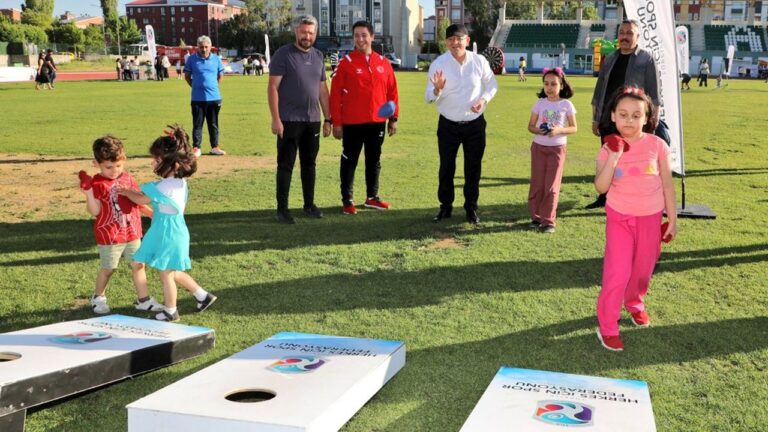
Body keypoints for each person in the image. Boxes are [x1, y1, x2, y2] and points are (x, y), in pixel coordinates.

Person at [594, 86, 677, 352]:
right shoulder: (608, 149)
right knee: (617, 272)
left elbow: (667, 185)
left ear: (647, 118)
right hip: (619, 218)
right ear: (613, 116)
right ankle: (607, 326)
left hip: (650, 218)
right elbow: (601, 188)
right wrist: (615, 155)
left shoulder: (657, 145)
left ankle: (635, 304)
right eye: (623, 114)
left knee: (643, 270)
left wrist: (672, 219)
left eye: (636, 115)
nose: (629, 121)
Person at [118, 125, 218, 322]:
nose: (153, 164)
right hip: (172, 230)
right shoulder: (179, 183)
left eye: (157, 160)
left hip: (168, 233)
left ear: (174, 164)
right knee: (171, 269)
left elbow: (140, 199)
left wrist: (127, 191)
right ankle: (202, 296)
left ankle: (171, 311)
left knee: (166, 275)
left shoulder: (163, 186)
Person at [79, 135, 163, 315]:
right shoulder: (97, 184)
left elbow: (136, 200)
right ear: (96, 163)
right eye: (108, 167)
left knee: (138, 265)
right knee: (108, 268)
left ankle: (144, 300)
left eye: (118, 165)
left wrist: (150, 213)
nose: (114, 170)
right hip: (110, 235)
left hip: (132, 232)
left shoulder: (128, 179)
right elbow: (95, 211)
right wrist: (89, 194)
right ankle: (98, 297)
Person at [425, 24, 498, 224]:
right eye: (450, 39)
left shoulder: (479, 61)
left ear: (467, 40)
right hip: (448, 124)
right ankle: (445, 207)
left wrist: (483, 100)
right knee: (446, 167)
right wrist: (437, 90)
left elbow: (492, 85)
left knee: (473, 169)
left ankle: (471, 209)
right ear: (446, 42)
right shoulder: (439, 63)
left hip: (474, 124)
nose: (455, 42)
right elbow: (428, 97)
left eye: (459, 38)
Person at [587, 19, 659, 210]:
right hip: (609, 120)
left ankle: (629, 198)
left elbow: (654, 94)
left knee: (630, 160)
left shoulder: (646, 59)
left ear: (637, 36)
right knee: (607, 157)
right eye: (622, 33)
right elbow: (599, 90)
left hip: (632, 121)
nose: (624, 37)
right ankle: (604, 198)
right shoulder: (609, 59)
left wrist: (651, 123)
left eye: (629, 33)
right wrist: (596, 119)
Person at [330, 20, 399, 215]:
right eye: (356, 36)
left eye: (364, 35)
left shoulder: (384, 63)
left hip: (377, 123)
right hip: (352, 123)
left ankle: (372, 198)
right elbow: (335, 95)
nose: (360, 39)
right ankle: (347, 200)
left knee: (374, 160)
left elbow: (392, 93)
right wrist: (336, 122)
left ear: (372, 37)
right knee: (349, 160)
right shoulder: (346, 63)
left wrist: (393, 118)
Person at [268, 15, 332, 224]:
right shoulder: (283, 54)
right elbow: (273, 88)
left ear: (315, 34)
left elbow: (323, 91)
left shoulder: (318, 56)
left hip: (312, 120)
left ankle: (309, 205)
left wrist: (328, 118)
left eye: (311, 33)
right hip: (288, 120)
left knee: (309, 164)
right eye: (304, 32)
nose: (307, 36)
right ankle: (282, 209)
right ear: (296, 31)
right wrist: (276, 119)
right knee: (285, 165)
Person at [526, 67, 577, 234]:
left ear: (561, 85)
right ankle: (536, 217)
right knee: (537, 184)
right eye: (546, 84)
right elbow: (530, 126)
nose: (549, 87)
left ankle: (548, 221)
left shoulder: (566, 104)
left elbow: (574, 128)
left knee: (552, 186)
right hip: (539, 147)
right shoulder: (540, 103)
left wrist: (558, 130)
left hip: (557, 148)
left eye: (554, 84)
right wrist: (538, 130)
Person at [184, 35, 226, 157]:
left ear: (210, 47)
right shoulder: (191, 59)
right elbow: (187, 76)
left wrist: (213, 87)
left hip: (214, 98)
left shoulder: (216, 59)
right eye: (201, 47)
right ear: (198, 47)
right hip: (197, 98)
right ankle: (196, 148)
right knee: (197, 124)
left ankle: (215, 147)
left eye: (206, 47)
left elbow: (221, 76)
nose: (203, 49)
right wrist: (196, 86)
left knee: (213, 123)